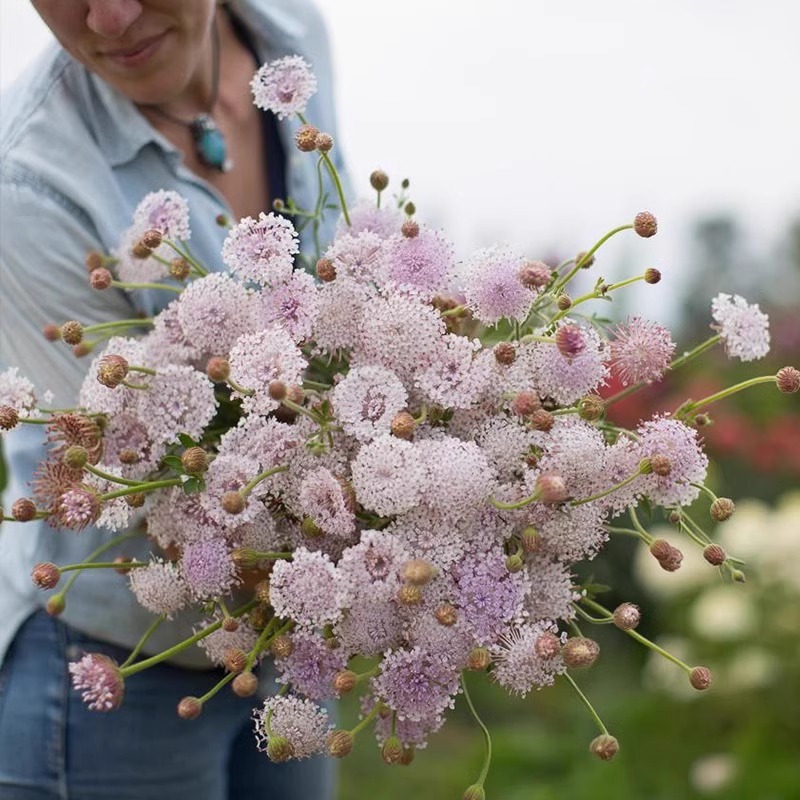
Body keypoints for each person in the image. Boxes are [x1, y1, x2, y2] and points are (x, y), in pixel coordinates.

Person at [0, 2, 348, 798]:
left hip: (294, 634)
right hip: (119, 667)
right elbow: (127, 477)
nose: (110, 17)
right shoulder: (24, 185)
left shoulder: (291, 37)